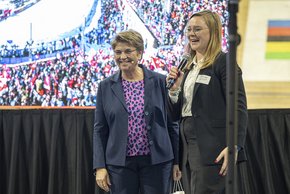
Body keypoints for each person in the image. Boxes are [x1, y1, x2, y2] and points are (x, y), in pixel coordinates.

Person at [166, 10, 248, 194]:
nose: (191, 34)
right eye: (188, 29)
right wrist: (174, 90)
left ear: (213, 32)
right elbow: (174, 115)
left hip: (214, 151)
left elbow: (238, 107)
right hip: (188, 150)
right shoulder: (187, 67)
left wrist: (234, 145)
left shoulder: (223, 62)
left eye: (197, 29)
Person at [93, 29, 181, 194]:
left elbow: (172, 124)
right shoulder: (105, 86)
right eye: (118, 52)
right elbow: (99, 130)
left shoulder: (160, 81)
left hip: (158, 162)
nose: (122, 56)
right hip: (120, 166)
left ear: (140, 53)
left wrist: (177, 161)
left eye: (128, 51)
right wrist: (100, 167)